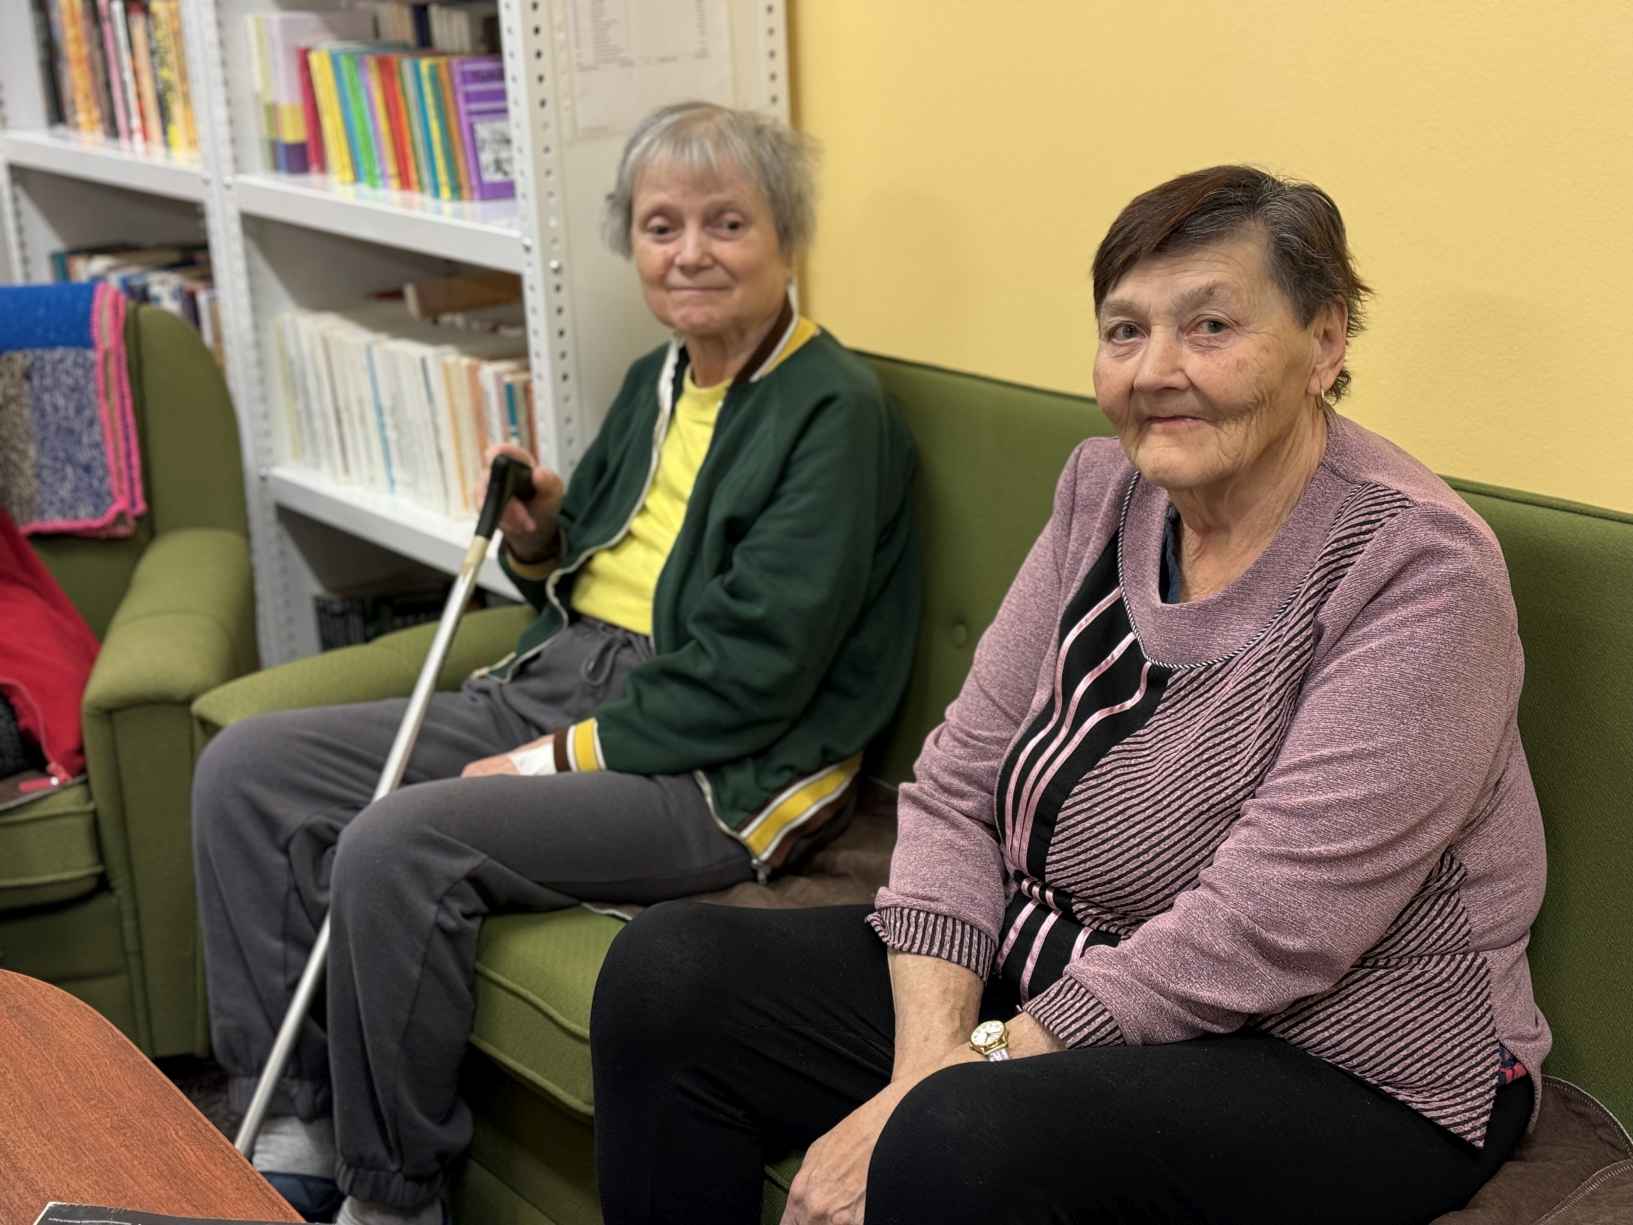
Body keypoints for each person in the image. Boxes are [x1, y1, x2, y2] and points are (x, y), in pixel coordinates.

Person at [589, 165, 1549, 1225]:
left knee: (961, 1140)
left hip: (1349, 1053)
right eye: (1125, 331)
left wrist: (954, 1086)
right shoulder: (1105, 491)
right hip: (1061, 965)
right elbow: (958, 784)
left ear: (1325, 342)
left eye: (1211, 325)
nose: (1157, 370)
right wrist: (926, 1065)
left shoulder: (1419, 569)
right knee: (667, 974)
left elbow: (1272, 926)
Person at [193, 101, 918, 1225]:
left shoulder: (837, 412)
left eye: (726, 223)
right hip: (562, 679)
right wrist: (538, 537)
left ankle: (394, 1197)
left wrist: (553, 760)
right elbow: (590, 571)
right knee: (246, 772)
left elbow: (754, 674)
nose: (690, 253)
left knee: (398, 841)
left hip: (716, 762)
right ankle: (296, 1127)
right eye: (661, 226)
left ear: (787, 235)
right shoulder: (655, 381)